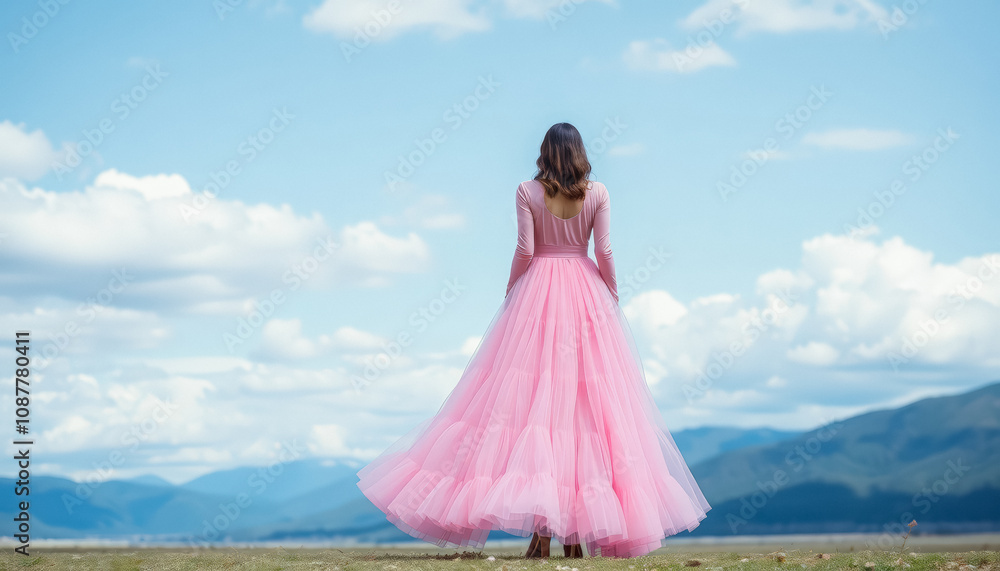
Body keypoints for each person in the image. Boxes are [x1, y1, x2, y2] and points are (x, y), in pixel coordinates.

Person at [355, 122, 711, 559]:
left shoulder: (527, 190)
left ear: (544, 152)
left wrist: (511, 292)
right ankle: (574, 537)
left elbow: (525, 249)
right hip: (584, 293)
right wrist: (611, 297)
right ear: (580, 153)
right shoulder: (598, 193)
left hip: (539, 293)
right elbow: (606, 251)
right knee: (586, 410)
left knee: (527, 409)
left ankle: (543, 534)